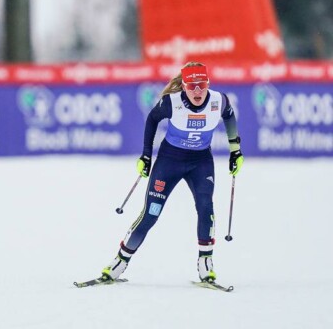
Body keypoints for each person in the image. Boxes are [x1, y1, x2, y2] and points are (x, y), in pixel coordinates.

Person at [98, 62, 244, 285]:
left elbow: (230, 116)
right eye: (192, 85)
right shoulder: (172, 103)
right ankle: (119, 262)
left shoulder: (219, 100)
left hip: (200, 162)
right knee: (151, 213)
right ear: (183, 86)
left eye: (202, 84)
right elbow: (152, 119)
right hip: (169, 161)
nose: (197, 91)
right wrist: (146, 156)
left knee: (206, 207)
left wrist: (236, 150)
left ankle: (206, 264)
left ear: (208, 84)